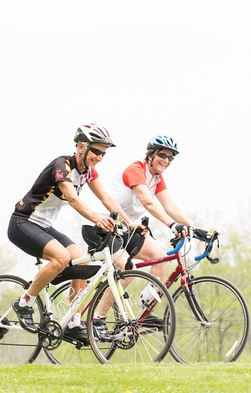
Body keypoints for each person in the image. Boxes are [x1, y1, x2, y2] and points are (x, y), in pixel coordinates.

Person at [8, 123, 133, 342]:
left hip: (44, 227)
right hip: (23, 222)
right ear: (80, 146)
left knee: (82, 262)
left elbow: (107, 199)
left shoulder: (89, 173)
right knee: (62, 257)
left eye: (103, 153)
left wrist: (130, 224)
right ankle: (24, 302)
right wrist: (98, 219)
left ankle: (74, 323)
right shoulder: (62, 165)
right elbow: (73, 199)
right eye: (96, 151)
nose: (99, 157)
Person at [81, 134, 193, 330]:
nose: (166, 160)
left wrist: (193, 228)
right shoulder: (136, 169)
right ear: (151, 155)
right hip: (99, 225)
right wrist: (172, 226)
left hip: (126, 228)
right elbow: (148, 202)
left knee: (160, 258)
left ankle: (144, 313)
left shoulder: (157, 178)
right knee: (127, 269)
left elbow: (170, 207)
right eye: (162, 155)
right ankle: (98, 318)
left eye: (170, 158)